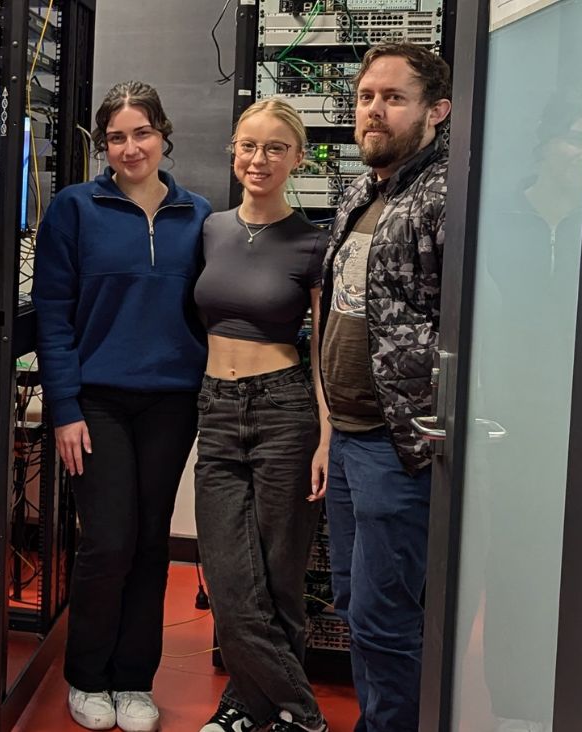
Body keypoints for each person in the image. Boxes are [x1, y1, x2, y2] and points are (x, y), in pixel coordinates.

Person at [32, 80, 211, 732]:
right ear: (102, 145)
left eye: (142, 133)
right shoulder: (75, 210)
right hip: (96, 403)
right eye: (116, 136)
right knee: (108, 542)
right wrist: (64, 407)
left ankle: (135, 680)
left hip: (170, 402)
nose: (130, 147)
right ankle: (88, 675)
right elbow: (53, 315)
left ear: (163, 135)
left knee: (149, 544)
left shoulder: (199, 215)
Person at [317, 42, 451, 732]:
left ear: (436, 111)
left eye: (393, 98)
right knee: (352, 603)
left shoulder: (445, 197)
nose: (373, 110)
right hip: (347, 435)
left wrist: (431, 429)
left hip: (398, 448)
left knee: (384, 616)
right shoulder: (363, 189)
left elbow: (468, 328)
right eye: (367, 96)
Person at [192, 98, 330, 732]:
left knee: (279, 580)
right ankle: (301, 716)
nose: (259, 159)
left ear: (298, 158)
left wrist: (326, 436)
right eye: (249, 145)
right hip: (217, 410)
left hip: (285, 412)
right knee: (228, 578)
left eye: (276, 148)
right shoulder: (212, 229)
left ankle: (248, 710)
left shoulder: (312, 243)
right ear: (233, 150)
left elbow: (324, 352)